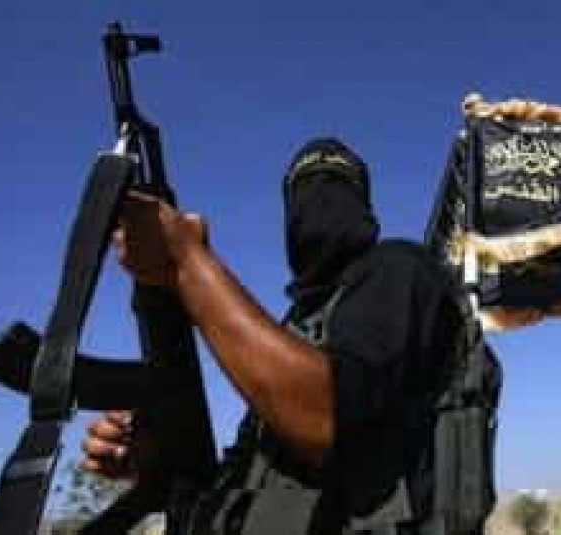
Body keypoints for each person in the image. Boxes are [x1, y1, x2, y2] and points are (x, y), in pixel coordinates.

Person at [81, 138, 467, 534]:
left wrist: (186, 262)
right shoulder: (293, 334)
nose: (320, 204)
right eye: (304, 188)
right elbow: (242, 478)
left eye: (336, 182)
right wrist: (152, 463)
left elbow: (328, 420)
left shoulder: (401, 268)